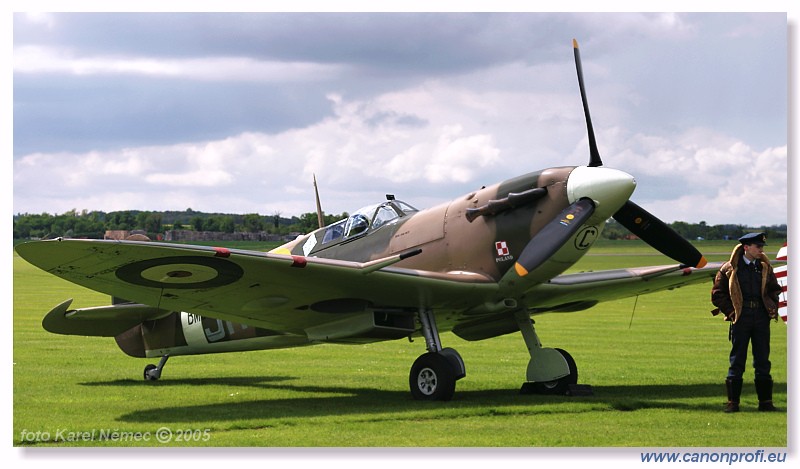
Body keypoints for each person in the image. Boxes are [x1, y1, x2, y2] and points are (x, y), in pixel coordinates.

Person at [711, 232, 782, 413]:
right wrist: (732, 312)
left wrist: (771, 308)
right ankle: (733, 403)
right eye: (758, 246)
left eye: (762, 246)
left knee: (763, 360)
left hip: (761, 317)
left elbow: (774, 290)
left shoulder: (765, 268)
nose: (761, 250)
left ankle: (766, 402)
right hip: (741, 318)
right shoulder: (729, 269)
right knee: (737, 360)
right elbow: (717, 294)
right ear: (746, 247)